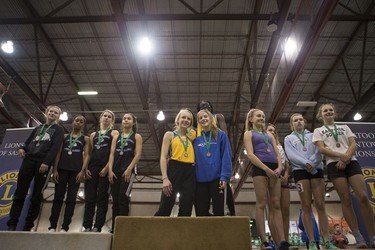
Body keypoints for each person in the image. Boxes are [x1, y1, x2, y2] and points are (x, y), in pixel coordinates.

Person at [313, 103, 375, 248]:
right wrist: (341, 157)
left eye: (330, 110)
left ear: (334, 113)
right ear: (320, 115)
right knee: (346, 199)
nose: (328, 112)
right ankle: (358, 236)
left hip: (351, 162)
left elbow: (353, 144)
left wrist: (346, 157)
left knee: (363, 197)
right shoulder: (319, 130)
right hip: (334, 165)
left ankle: (372, 235)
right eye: (325, 111)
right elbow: (322, 149)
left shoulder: (344, 127)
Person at [7, 105, 64, 231]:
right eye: (51, 111)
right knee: (19, 192)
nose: (53, 114)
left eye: (56, 113)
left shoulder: (58, 130)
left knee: (36, 195)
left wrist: (46, 162)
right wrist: (21, 148)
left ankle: (28, 225)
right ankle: (12, 223)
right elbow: (27, 143)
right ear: (46, 113)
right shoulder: (38, 128)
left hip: (43, 163)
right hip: (29, 160)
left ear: (58, 116)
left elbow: (55, 148)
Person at [285, 113, 335, 249]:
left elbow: (319, 150)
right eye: (295, 120)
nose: (299, 122)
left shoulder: (313, 134)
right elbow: (291, 155)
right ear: (292, 124)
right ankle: (312, 241)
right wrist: (306, 163)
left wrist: (312, 163)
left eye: (301, 119)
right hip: (300, 172)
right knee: (306, 205)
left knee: (320, 204)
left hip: (316, 170)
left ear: (304, 122)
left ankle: (327, 240)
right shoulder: (288, 138)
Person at [243, 108, 290, 250]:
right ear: (251, 119)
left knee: (276, 204)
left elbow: (277, 154)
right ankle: (264, 241)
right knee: (262, 203)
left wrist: (280, 167)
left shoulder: (269, 135)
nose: (261, 118)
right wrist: (266, 169)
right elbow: (250, 155)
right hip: (260, 169)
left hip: (275, 170)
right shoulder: (248, 133)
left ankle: (282, 240)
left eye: (263, 116)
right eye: (258, 116)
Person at [48, 115, 90, 232]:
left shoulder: (85, 139)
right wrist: (55, 170)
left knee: (71, 199)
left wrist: (82, 170)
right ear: (73, 122)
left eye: (81, 122)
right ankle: (52, 226)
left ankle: (65, 227)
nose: (78, 122)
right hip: (61, 170)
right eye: (77, 120)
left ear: (83, 125)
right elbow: (58, 153)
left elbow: (87, 155)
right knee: (58, 197)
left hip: (76, 172)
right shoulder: (65, 137)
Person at [196, 100, 235, 216]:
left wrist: (224, 176)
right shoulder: (196, 139)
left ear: (211, 117)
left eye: (206, 116)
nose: (203, 119)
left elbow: (226, 156)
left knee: (219, 211)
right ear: (198, 121)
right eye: (201, 117)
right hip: (200, 181)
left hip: (217, 179)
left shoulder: (221, 134)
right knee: (201, 213)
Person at [82, 109, 119, 232]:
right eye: (105, 116)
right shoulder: (93, 135)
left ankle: (98, 226)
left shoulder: (114, 133)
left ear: (112, 120)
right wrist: (85, 168)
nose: (106, 118)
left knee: (102, 199)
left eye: (109, 116)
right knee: (89, 198)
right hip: (92, 168)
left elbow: (114, 153)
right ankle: (87, 226)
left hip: (105, 167)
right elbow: (89, 153)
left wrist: (108, 167)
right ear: (101, 118)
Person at [155, 109, 196, 216]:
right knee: (165, 207)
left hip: (190, 171)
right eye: (183, 117)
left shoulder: (193, 136)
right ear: (177, 120)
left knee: (186, 210)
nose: (186, 120)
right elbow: (163, 157)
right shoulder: (170, 135)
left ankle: (182, 232)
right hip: (174, 169)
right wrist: (165, 178)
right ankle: (156, 231)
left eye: (189, 119)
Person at [108, 113, 142, 232]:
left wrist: (129, 169)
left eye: (129, 119)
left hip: (129, 171)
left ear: (133, 122)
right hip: (115, 170)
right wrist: (110, 170)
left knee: (123, 197)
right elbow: (112, 154)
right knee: (115, 199)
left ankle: (123, 229)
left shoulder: (136, 136)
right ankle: (115, 228)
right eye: (124, 118)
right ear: (122, 122)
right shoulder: (117, 137)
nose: (126, 120)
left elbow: (138, 154)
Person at [265, 123, 292, 245]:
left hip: (284, 178)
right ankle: (276, 242)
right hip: (272, 175)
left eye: (274, 131)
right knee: (273, 209)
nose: (273, 132)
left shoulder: (280, 146)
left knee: (285, 210)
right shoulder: (264, 145)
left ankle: (285, 240)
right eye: (270, 130)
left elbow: (286, 163)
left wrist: (286, 175)